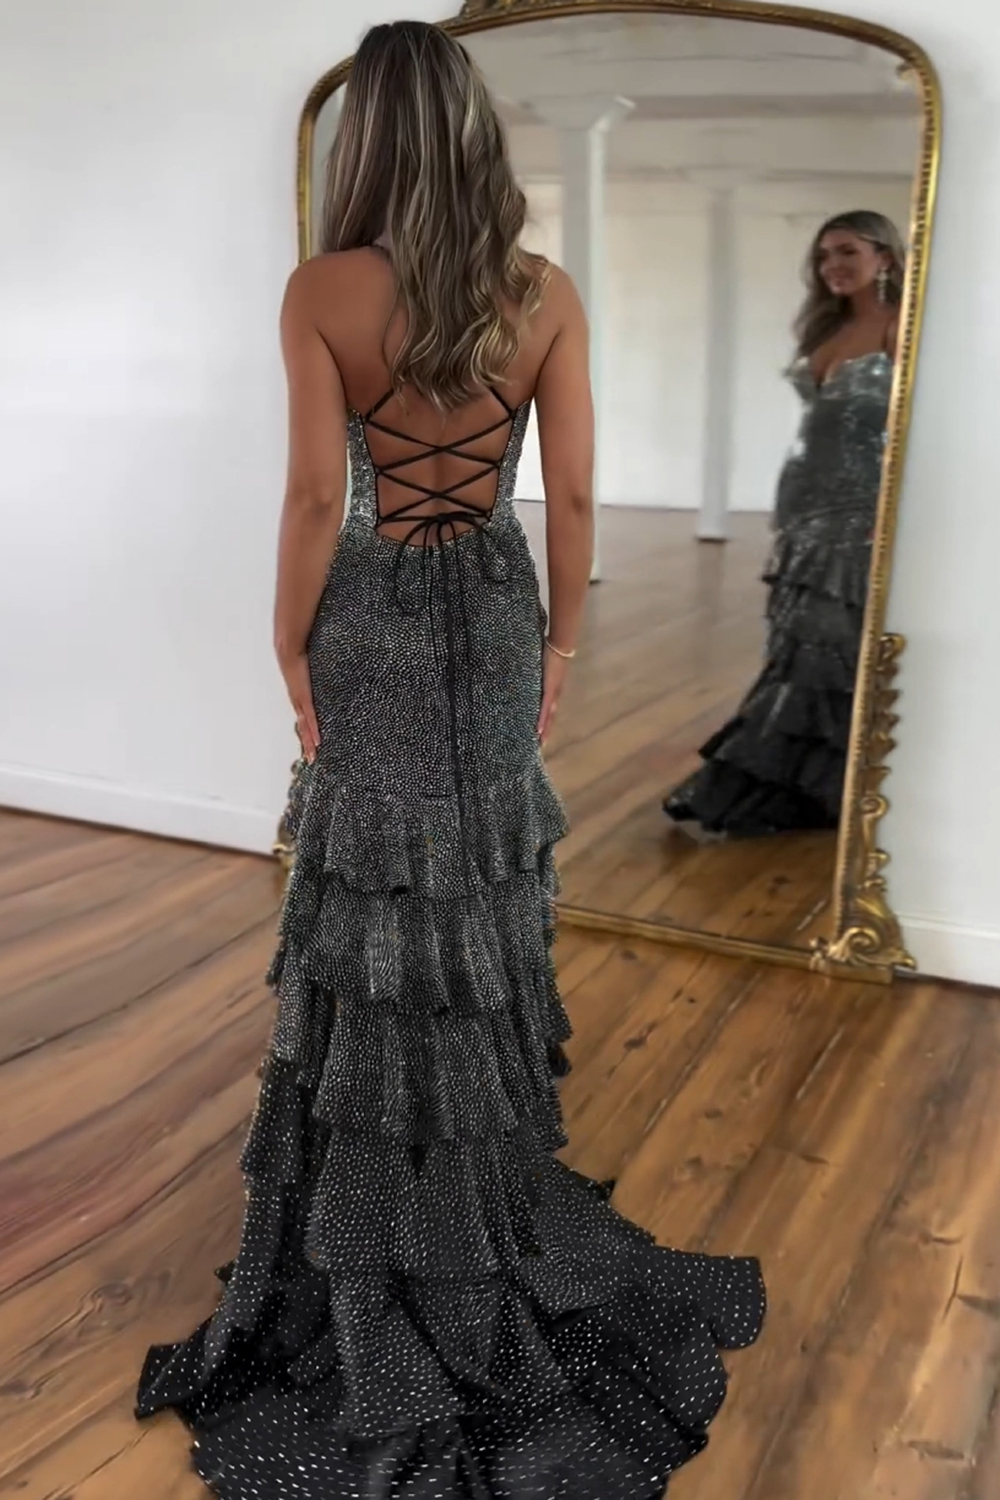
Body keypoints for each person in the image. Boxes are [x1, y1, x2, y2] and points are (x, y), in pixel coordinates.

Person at [135, 21, 765, 1497]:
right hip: (492, 604)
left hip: (367, 609)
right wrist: (559, 648)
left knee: (370, 897)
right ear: (477, 136)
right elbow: (579, 495)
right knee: (479, 893)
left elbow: (316, 497)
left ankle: (373, 1220)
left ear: (365, 138)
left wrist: (284, 640)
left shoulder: (322, 289)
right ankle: (468, 1197)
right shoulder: (541, 292)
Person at [664, 209, 905, 838]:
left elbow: (916, 427)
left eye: (847, 251)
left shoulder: (901, 325)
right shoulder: (829, 326)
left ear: (884, 256)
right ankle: (795, 782)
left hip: (861, 507)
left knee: (832, 644)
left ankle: (812, 787)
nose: (832, 266)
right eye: (824, 255)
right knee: (796, 642)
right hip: (805, 498)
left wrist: (894, 509)